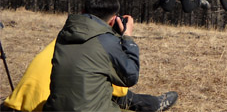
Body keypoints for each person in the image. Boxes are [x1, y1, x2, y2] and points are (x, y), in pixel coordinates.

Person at [1, 39, 177, 112]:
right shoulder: (94, 47)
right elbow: (120, 92)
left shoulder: (60, 41)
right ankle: (155, 104)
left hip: (14, 104)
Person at [43, 0, 140, 111]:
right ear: (113, 20)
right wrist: (127, 38)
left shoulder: (64, 34)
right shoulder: (106, 41)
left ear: (83, 11)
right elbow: (130, 77)